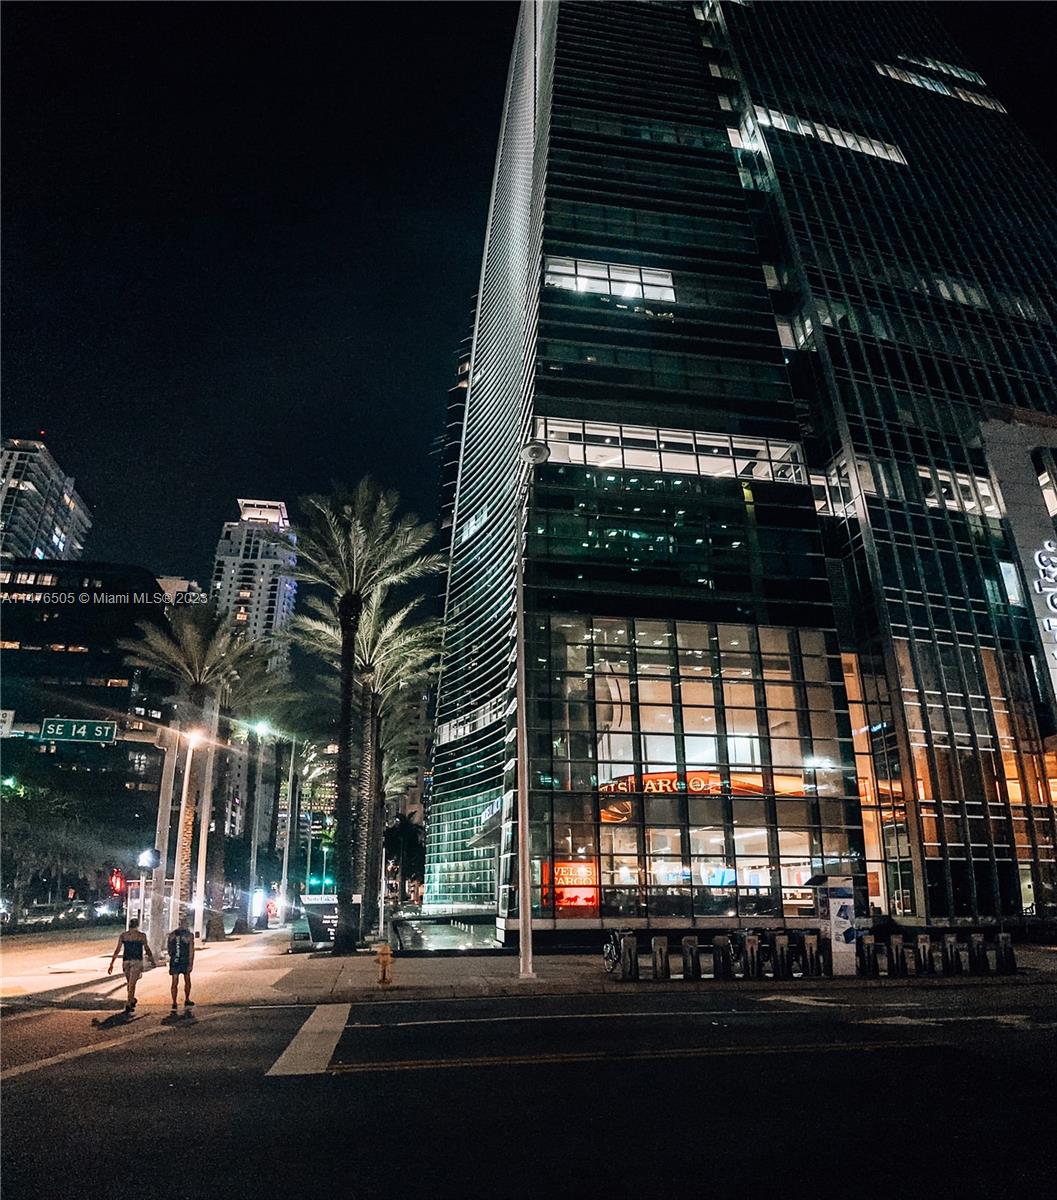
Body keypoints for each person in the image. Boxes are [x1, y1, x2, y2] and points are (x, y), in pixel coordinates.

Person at [107, 919, 156, 1013]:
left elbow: (117, 950)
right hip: (137, 961)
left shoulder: (123, 935)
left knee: (130, 982)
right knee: (132, 983)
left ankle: (131, 999)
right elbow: (147, 949)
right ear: (137, 925)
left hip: (126, 961)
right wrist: (152, 960)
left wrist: (111, 963)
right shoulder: (141, 936)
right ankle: (129, 1003)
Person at [166, 920, 196, 1013]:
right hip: (184, 960)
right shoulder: (189, 935)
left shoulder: (172, 935)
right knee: (187, 980)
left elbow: (169, 949)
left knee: (174, 981)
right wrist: (191, 962)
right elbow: (191, 950)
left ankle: (174, 1002)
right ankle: (187, 999)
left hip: (175, 960)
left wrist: (172, 956)